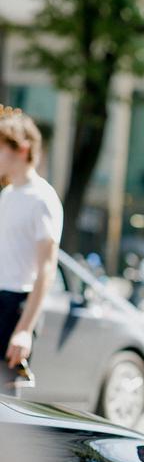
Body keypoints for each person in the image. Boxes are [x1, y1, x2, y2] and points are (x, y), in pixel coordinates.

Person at [0, 107, 62, 391]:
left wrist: (24, 330)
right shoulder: (8, 195)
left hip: (15, 306)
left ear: (22, 149)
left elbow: (46, 269)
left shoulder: (43, 198)